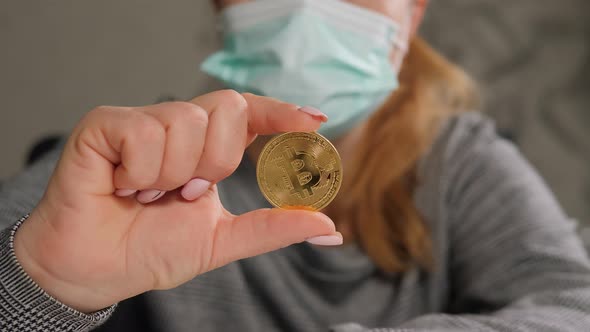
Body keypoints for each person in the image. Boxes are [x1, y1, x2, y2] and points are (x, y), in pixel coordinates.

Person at [1, 0, 589, 331]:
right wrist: (39, 286)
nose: (309, 9)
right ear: (222, 10)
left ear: (408, 19)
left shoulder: (460, 161)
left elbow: (577, 305)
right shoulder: (127, 172)